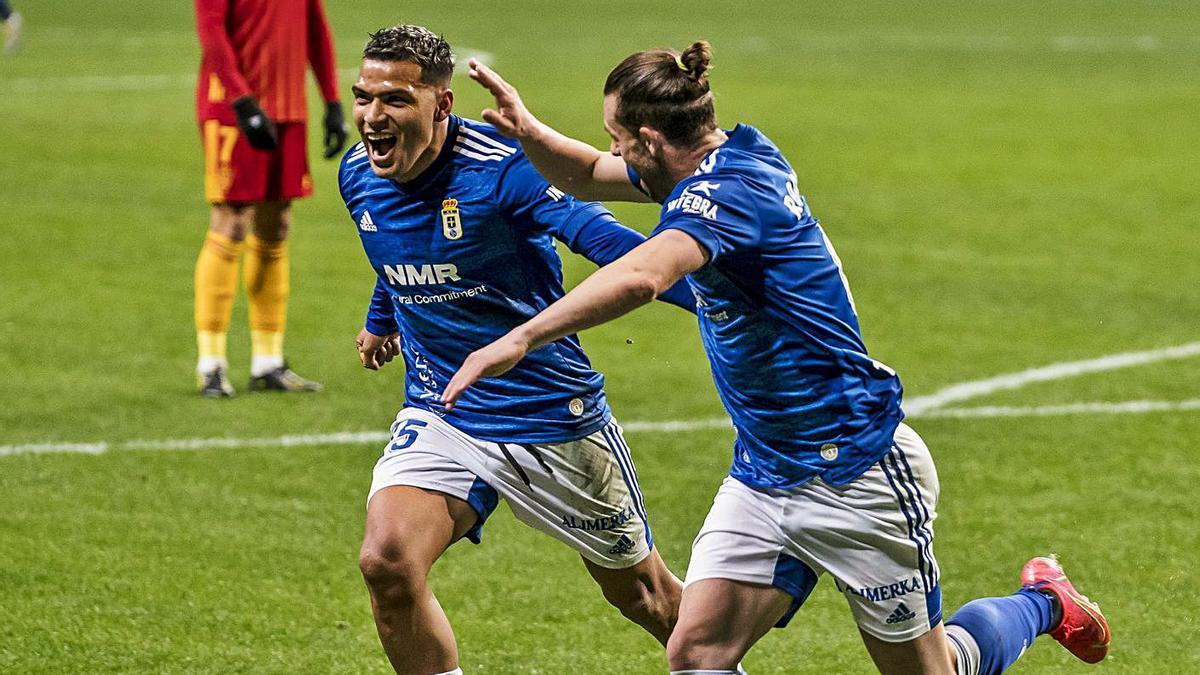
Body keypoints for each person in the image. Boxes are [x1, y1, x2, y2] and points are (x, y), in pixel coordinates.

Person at [443, 43, 1112, 675]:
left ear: (649, 141)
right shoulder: (708, 163)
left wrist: (520, 337)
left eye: (619, 136)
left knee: (935, 668)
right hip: (765, 471)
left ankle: (1044, 601)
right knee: (696, 652)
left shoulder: (732, 193)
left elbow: (646, 273)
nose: (614, 149)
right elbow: (585, 174)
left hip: (855, 465)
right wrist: (528, 128)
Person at [340, 26, 702, 675]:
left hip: (548, 415)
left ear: (441, 106)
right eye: (363, 97)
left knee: (644, 597)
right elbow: (396, 247)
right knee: (387, 562)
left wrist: (720, 300)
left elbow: (606, 241)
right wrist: (380, 318)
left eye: (393, 100)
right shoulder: (358, 175)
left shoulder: (503, 169)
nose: (371, 117)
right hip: (443, 408)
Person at [192, 0, 348, 396]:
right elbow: (212, 32)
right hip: (232, 108)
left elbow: (316, 28)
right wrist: (241, 101)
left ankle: (268, 361)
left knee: (276, 226)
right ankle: (210, 363)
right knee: (232, 221)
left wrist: (331, 101)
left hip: (287, 107)